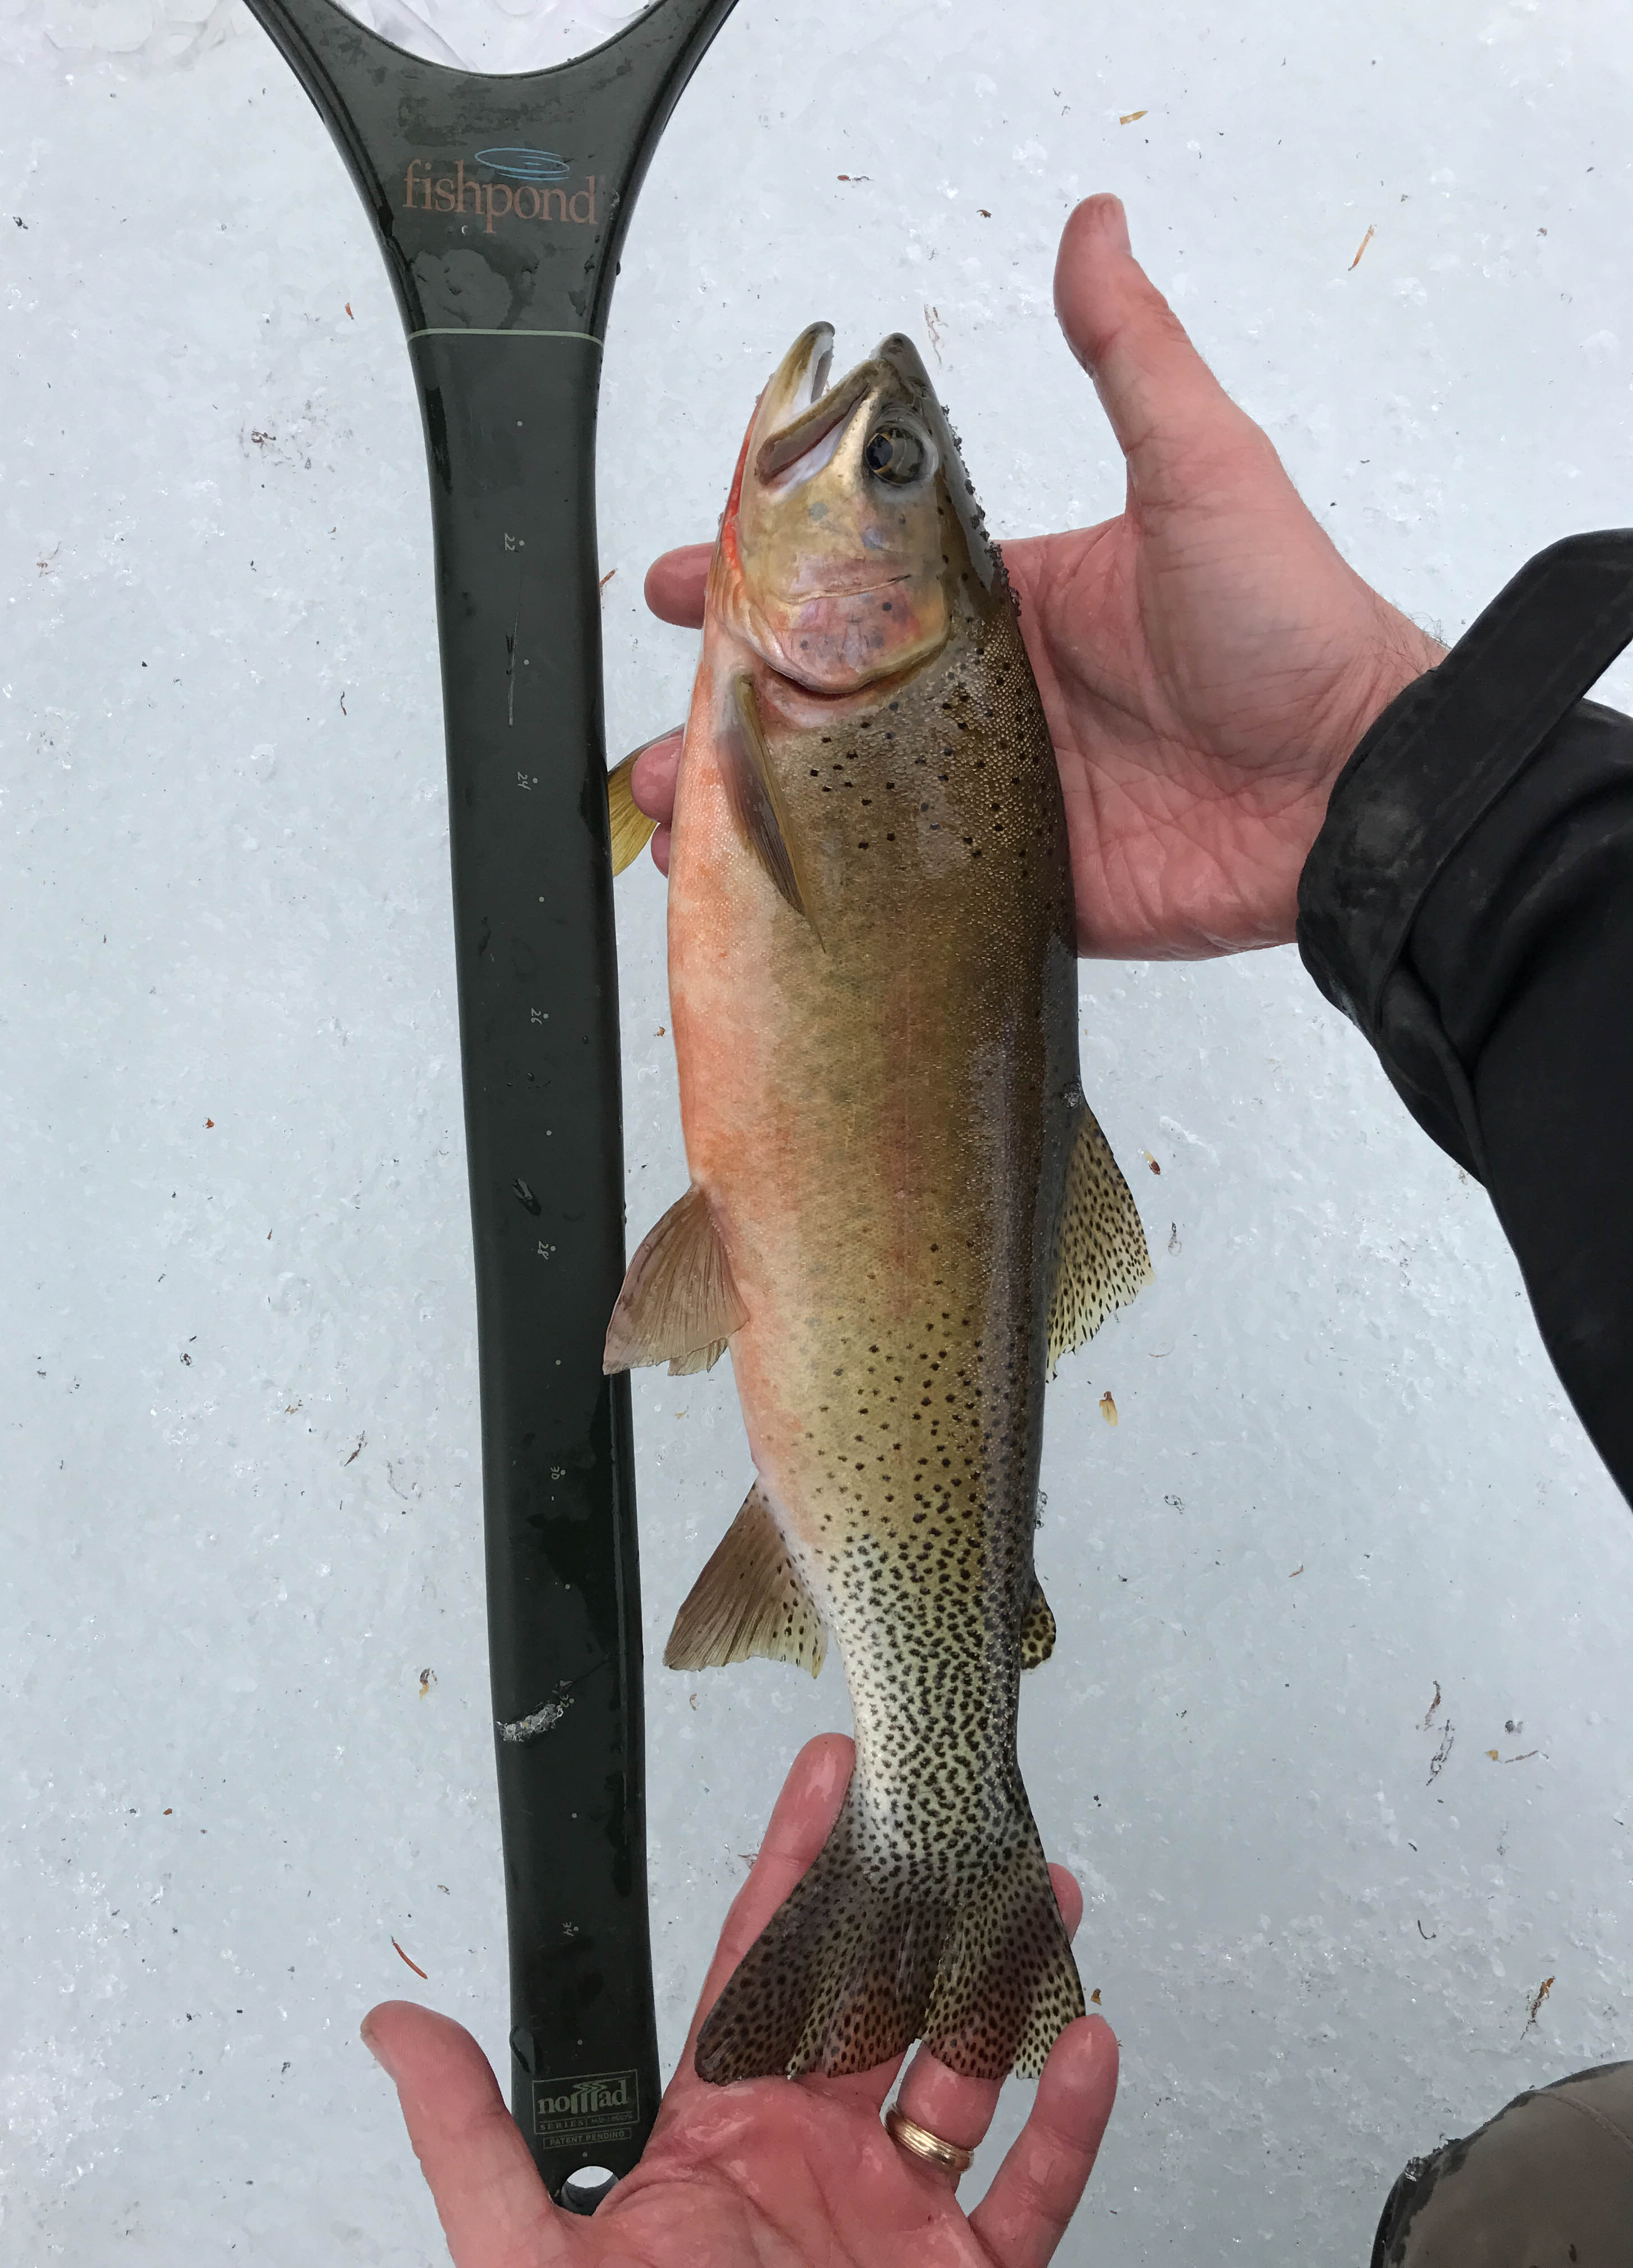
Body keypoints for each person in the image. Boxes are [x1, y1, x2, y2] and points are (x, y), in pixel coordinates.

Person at [363, 193, 1633, 2263]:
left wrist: (1400, 779)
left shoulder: (804, 709)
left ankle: (937, 1804)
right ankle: (938, 1807)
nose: (868, 440)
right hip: (884, 1242)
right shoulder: (815, 706)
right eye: (897, 460)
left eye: (894, 471)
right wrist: (1382, 772)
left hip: (870, 1258)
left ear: (888, 609)